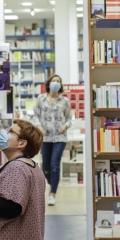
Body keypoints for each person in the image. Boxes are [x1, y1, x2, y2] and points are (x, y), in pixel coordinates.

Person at [33, 74, 72, 205]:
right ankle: (52, 182)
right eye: (53, 81)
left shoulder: (64, 101)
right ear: (49, 83)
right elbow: (35, 115)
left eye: (58, 81)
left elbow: (69, 119)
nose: (55, 83)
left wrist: (65, 126)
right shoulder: (41, 99)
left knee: (55, 165)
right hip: (45, 137)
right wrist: (39, 126)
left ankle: (52, 194)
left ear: (60, 85)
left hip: (60, 138)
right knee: (46, 167)